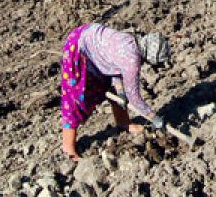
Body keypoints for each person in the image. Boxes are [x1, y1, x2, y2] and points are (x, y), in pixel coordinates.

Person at [60, 23, 170, 161]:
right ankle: (68, 148)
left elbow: (113, 66)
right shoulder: (132, 61)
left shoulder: (130, 40)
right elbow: (134, 97)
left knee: (114, 90)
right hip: (78, 48)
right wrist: (154, 117)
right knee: (75, 97)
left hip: (89, 39)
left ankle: (124, 122)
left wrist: (120, 91)